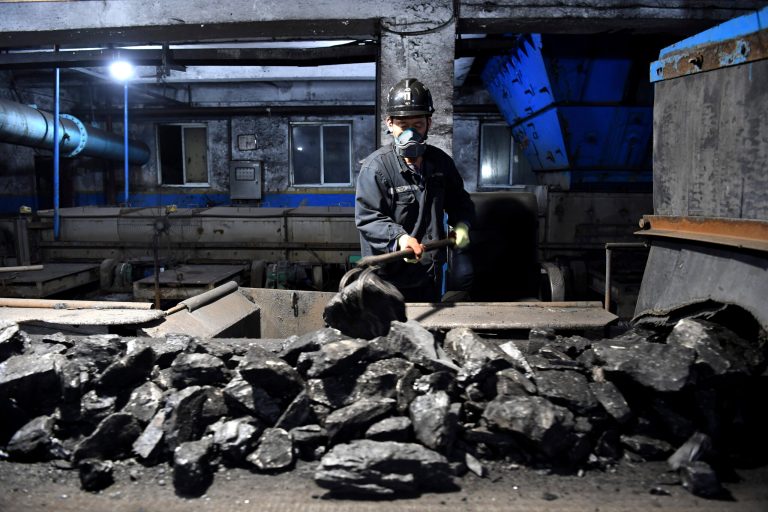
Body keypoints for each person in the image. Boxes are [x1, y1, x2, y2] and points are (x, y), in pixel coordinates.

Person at [355, 77, 475, 302]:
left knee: (428, 332)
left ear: (429, 123)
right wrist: (400, 239)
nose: (411, 134)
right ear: (390, 124)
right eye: (403, 125)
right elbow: (369, 218)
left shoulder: (441, 164)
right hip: (387, 279)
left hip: (429, 275)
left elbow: (460, 202)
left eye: (417, 125)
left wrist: (462, 225)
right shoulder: (376, 168)